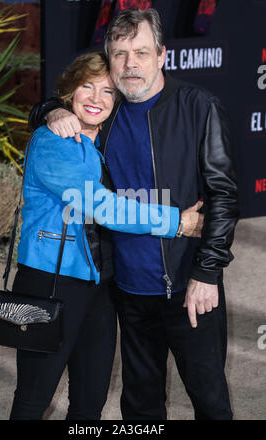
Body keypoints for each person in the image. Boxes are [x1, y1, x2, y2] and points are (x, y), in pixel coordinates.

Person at [29, 8, 239, 420]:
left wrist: (208, 273)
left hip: (187, 284)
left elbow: (224, 196)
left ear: (161, 55)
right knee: (140, 407)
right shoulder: (105, 113)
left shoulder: (199, 107)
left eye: (141, 52)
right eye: (120, 53)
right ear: (109, 59)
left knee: (211, 401)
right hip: (126, 289)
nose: (130, 64)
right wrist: (50, 112)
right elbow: (59, 112)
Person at [10, 50, 203, 420]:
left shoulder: (105, 141)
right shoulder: (52, 141)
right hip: (50, 282)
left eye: (108, 90)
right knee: (34, 396)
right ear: (70, 93)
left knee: (91, 398)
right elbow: (101, 207)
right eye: (87, 87)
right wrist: (177, 222)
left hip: (99, 286)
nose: (97, 99)